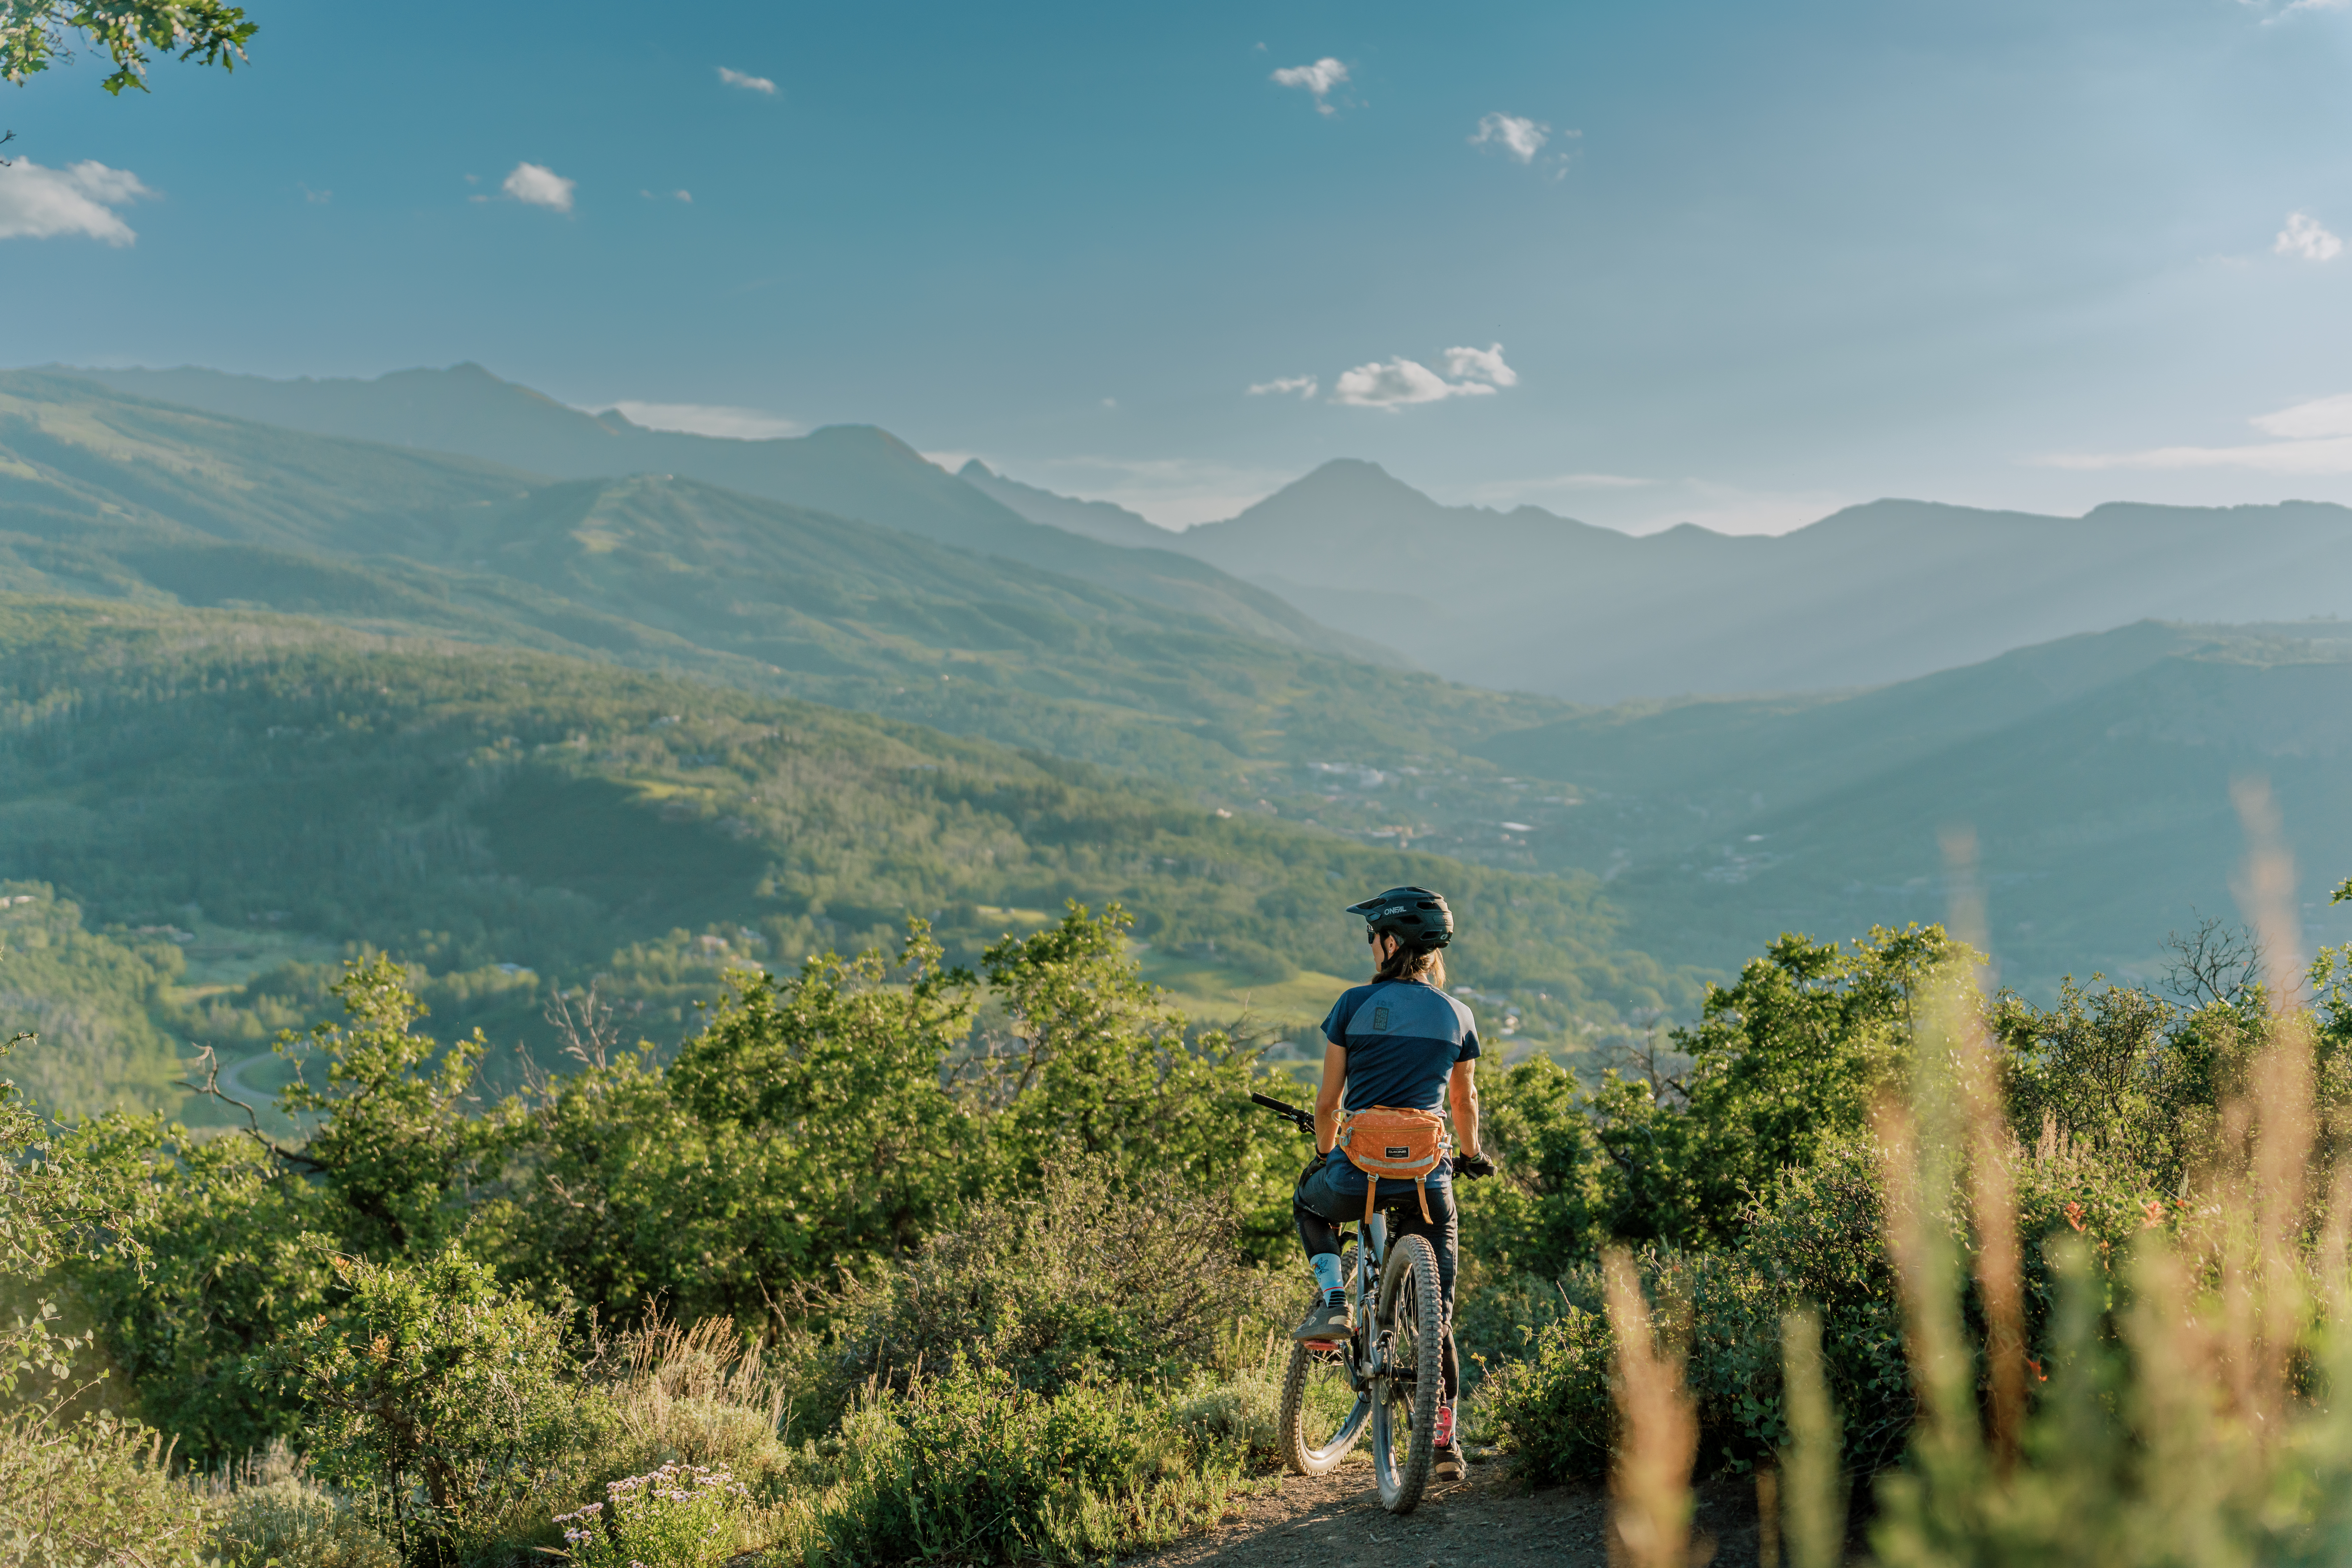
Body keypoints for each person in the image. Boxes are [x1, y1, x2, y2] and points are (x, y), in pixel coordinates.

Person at [1292, 884, 1494, 1477]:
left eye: (1371, 937)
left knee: (1310, 1204)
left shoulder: (1353, 1006)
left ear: (1389, 944)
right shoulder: (1459, 1015)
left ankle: (1335, 1299)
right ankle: (1441, 1443)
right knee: (1439, 1319)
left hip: (1358, 1173)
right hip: (1427, 1176)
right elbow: (1465, 1101)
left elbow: (1329, 1105)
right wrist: (1474, 1154)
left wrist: (1326, 1153)